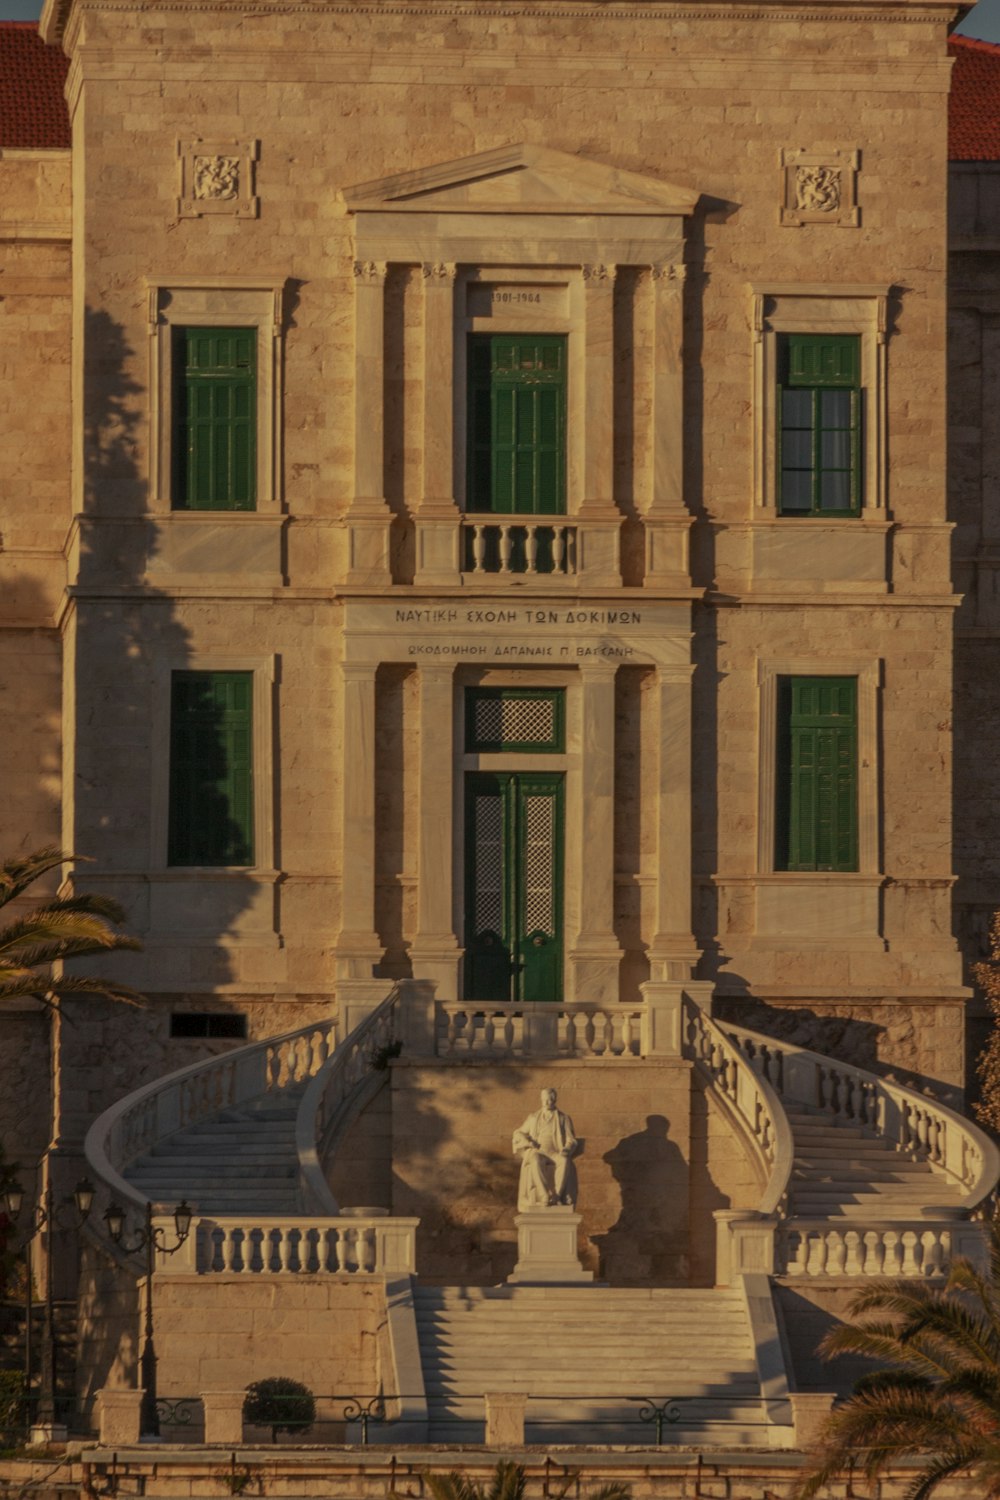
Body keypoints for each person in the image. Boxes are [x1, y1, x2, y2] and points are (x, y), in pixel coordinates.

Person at [512, 1086, 579, 1211]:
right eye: (545, 1100)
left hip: (555, 1152)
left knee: (564, 1161)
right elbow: (518, 1133)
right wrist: (527, 1142)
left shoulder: (563, 1118)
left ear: (555, 1100)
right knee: (535, 1160)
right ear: (541, 1100)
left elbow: (571, 1140)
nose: (547, 1103)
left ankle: (557, 1196)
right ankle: (544, 1194)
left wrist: (567, 1149)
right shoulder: (533, 1117)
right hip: (539, 1152)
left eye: (550, 1100)